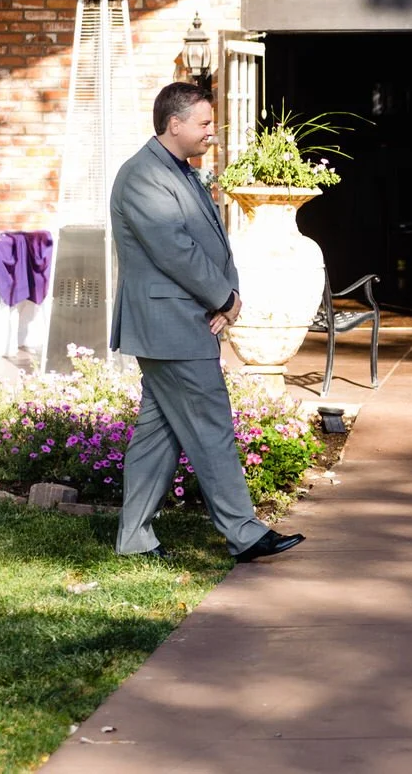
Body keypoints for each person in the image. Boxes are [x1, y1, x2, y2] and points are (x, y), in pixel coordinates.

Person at [110, 82, 304, 563]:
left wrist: (228, 296)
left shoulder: (182, 171)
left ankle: (133, 538)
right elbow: (175, 251)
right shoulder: (140, 177)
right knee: (212, 426)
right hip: (169, 324)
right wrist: (225, 297)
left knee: (159, 436)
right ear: (173, 124)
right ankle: (243, 532)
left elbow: (214, 241)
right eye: (202, 123)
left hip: (185, 320)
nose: (210, 133)